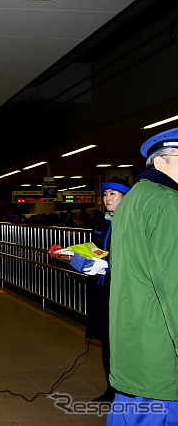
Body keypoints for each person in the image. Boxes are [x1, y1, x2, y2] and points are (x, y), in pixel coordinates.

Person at [107, 127, 178, 425]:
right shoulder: (167, 202)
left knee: (129, 411)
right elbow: (173, 282)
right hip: (159, 341)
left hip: (132, 335)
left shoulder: (135, 199)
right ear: (162, 161)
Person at [85, 177, 130, 403]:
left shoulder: (133, 221)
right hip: (103, 288)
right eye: (105, 194)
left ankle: (128, 388)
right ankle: (111, 388)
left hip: (125, 290)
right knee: (106, 339)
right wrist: (77, 258)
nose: (108, 198)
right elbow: (96, 251)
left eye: (114, 194)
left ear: (125, 197)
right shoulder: (102, 223)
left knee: (124, 340)